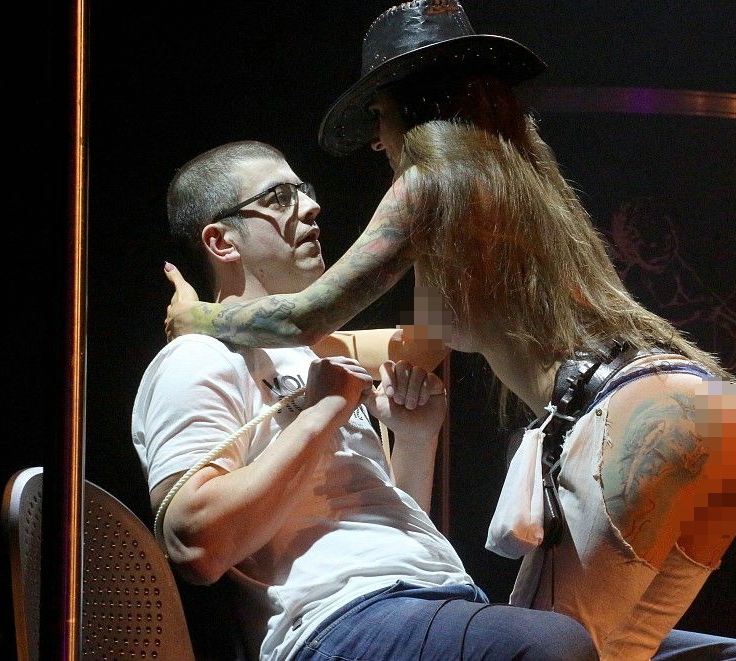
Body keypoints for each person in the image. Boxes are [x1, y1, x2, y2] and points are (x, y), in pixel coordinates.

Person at [162, 3, 736, 659]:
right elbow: (400, 344)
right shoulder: (522, 181)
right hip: (716, 409)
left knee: (551, 648)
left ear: (409, 109)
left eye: (380, 117)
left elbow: (305, 317)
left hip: (628, 421)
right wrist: (378, 409)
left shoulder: (429, 185)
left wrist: (197, 318)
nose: (378, 143)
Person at [133, 139, 596, 660]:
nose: (312, 206)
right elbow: (193, 544)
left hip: (429, 597)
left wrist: (414, 440)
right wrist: (322, 414)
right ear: (221, 242)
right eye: (280, 197)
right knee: (555, 644)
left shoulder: (320, 355)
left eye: (304, 190)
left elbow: (376, 525)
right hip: (335, 622)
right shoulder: (198, 355)